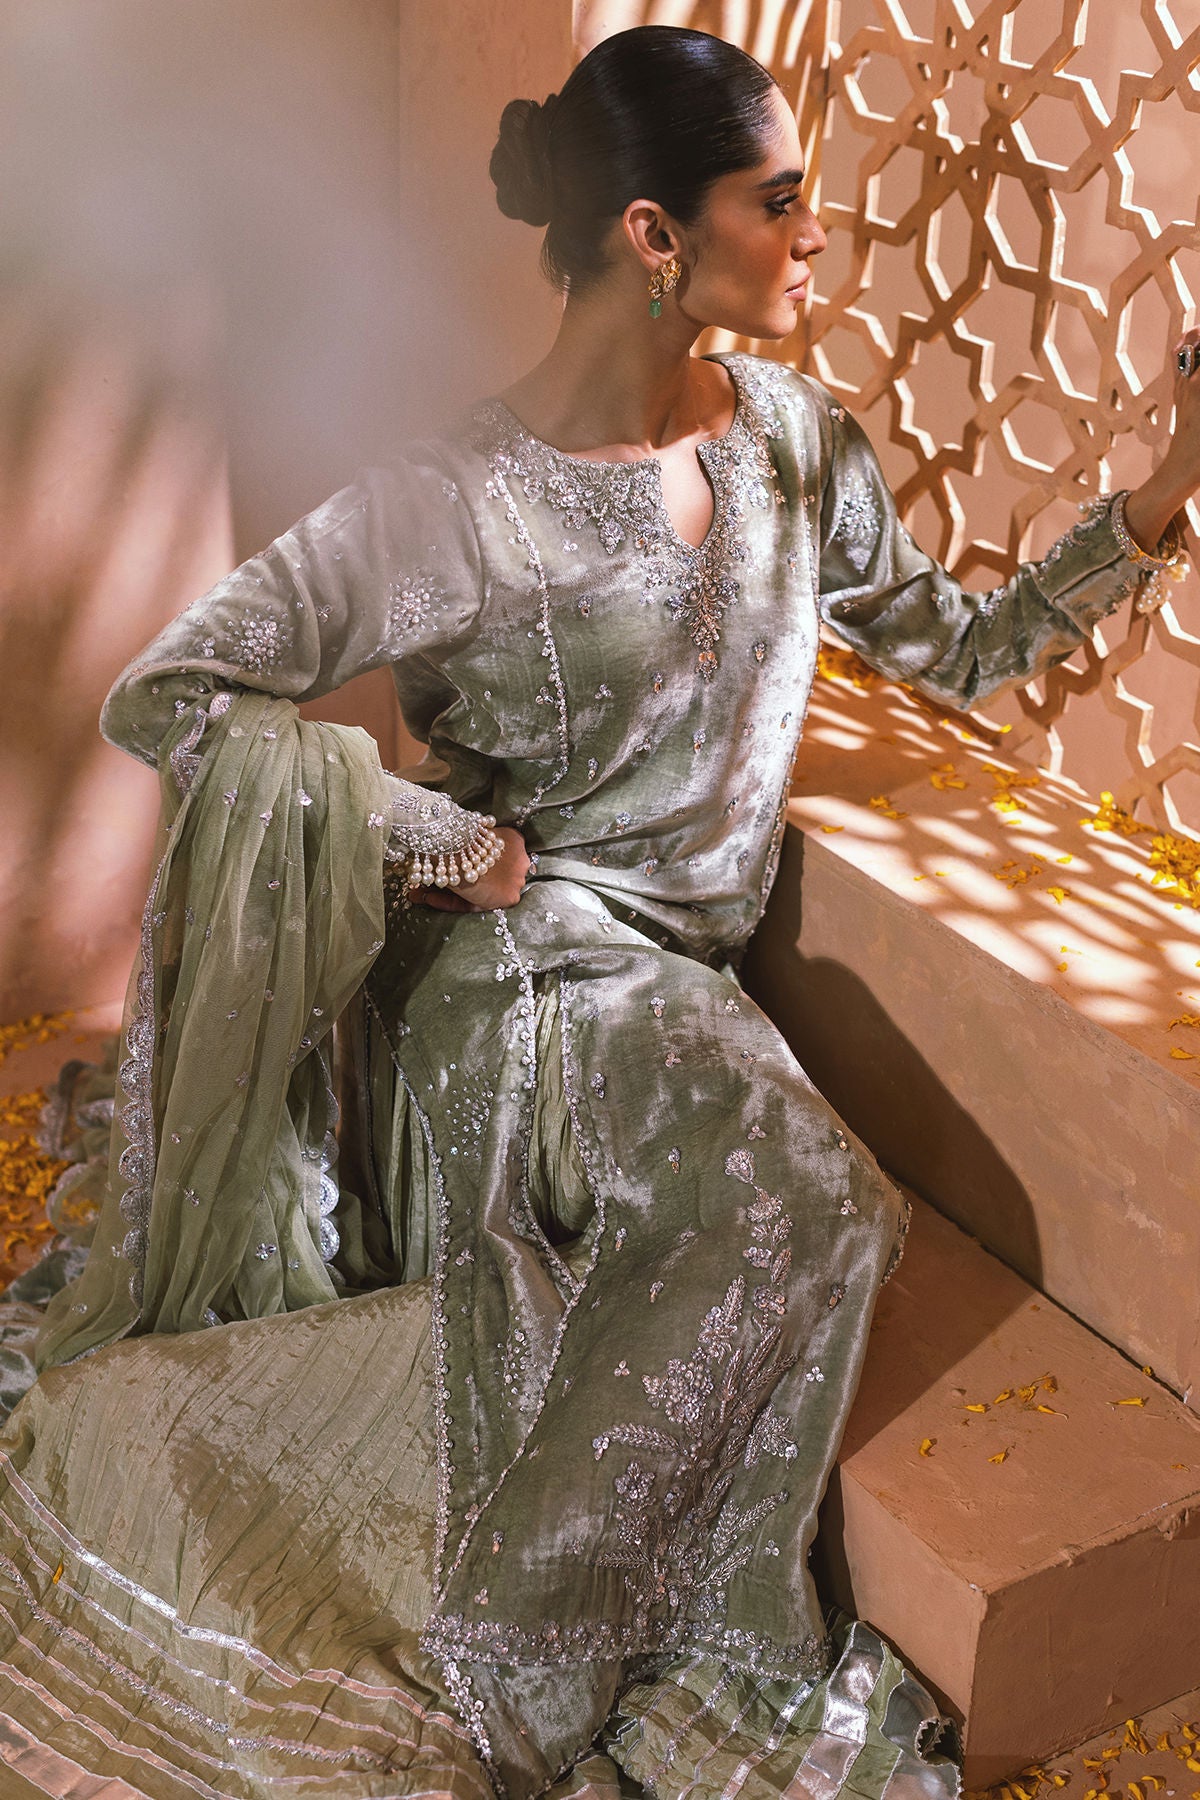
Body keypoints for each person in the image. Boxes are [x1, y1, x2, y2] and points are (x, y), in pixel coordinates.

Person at [0, 23, 1196, 1800]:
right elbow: (172, 691)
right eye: (778, 201)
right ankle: (515, 1664)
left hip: (669, 983)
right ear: (654, 234)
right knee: (802, 1193)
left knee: (800, 1199)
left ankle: (551, 1621)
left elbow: (960, 654)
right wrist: (425, 833)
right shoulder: (452, 500)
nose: (815, 235)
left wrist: (1164, 492)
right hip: (515, 969)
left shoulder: (796, 445)